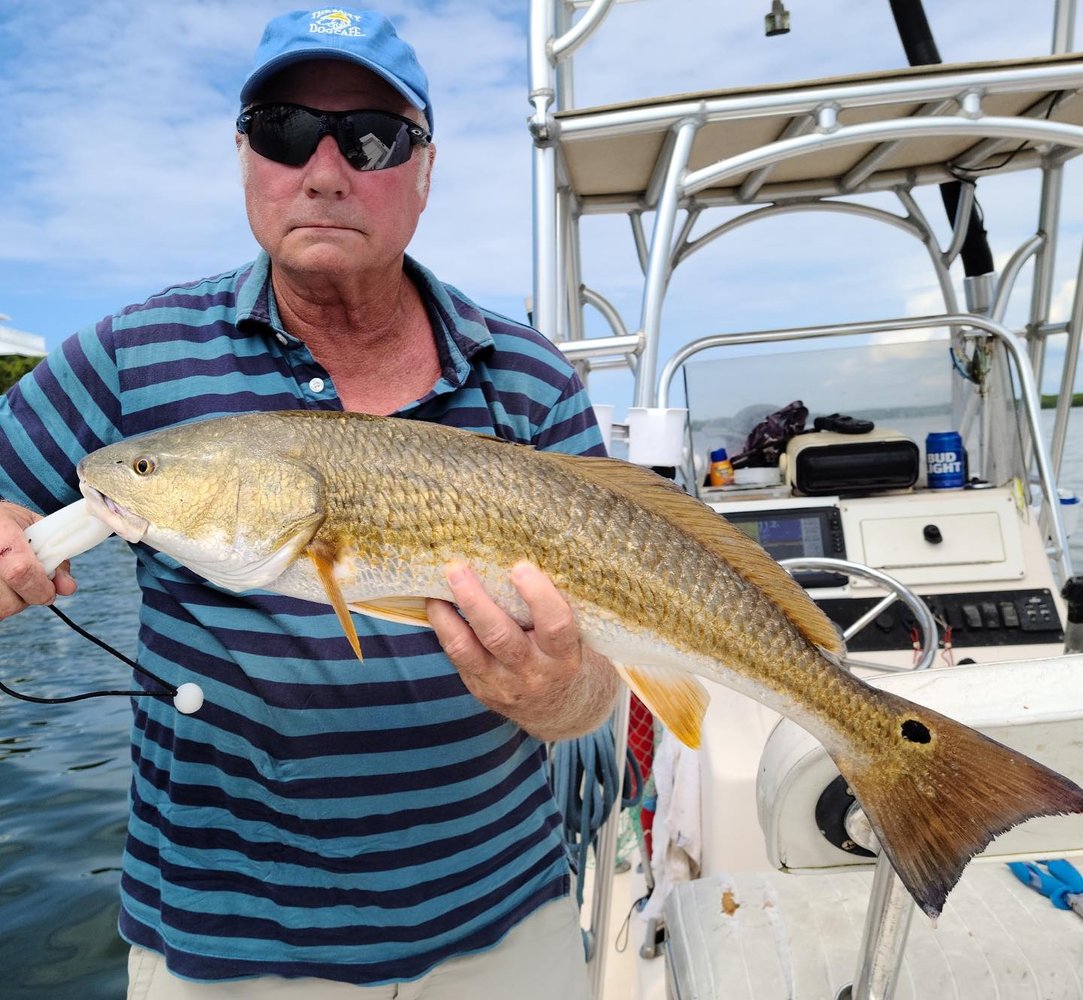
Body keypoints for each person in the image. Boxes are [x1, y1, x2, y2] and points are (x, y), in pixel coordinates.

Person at [0, 8, 618, 997]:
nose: (323, 170)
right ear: (244, 155)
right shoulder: (129, 355)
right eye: (285, 131)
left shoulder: (532, 380)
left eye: (371, 138)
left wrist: (559, 693)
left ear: (423, 172)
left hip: (506, 919)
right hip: (221, 947)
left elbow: (602, 690)